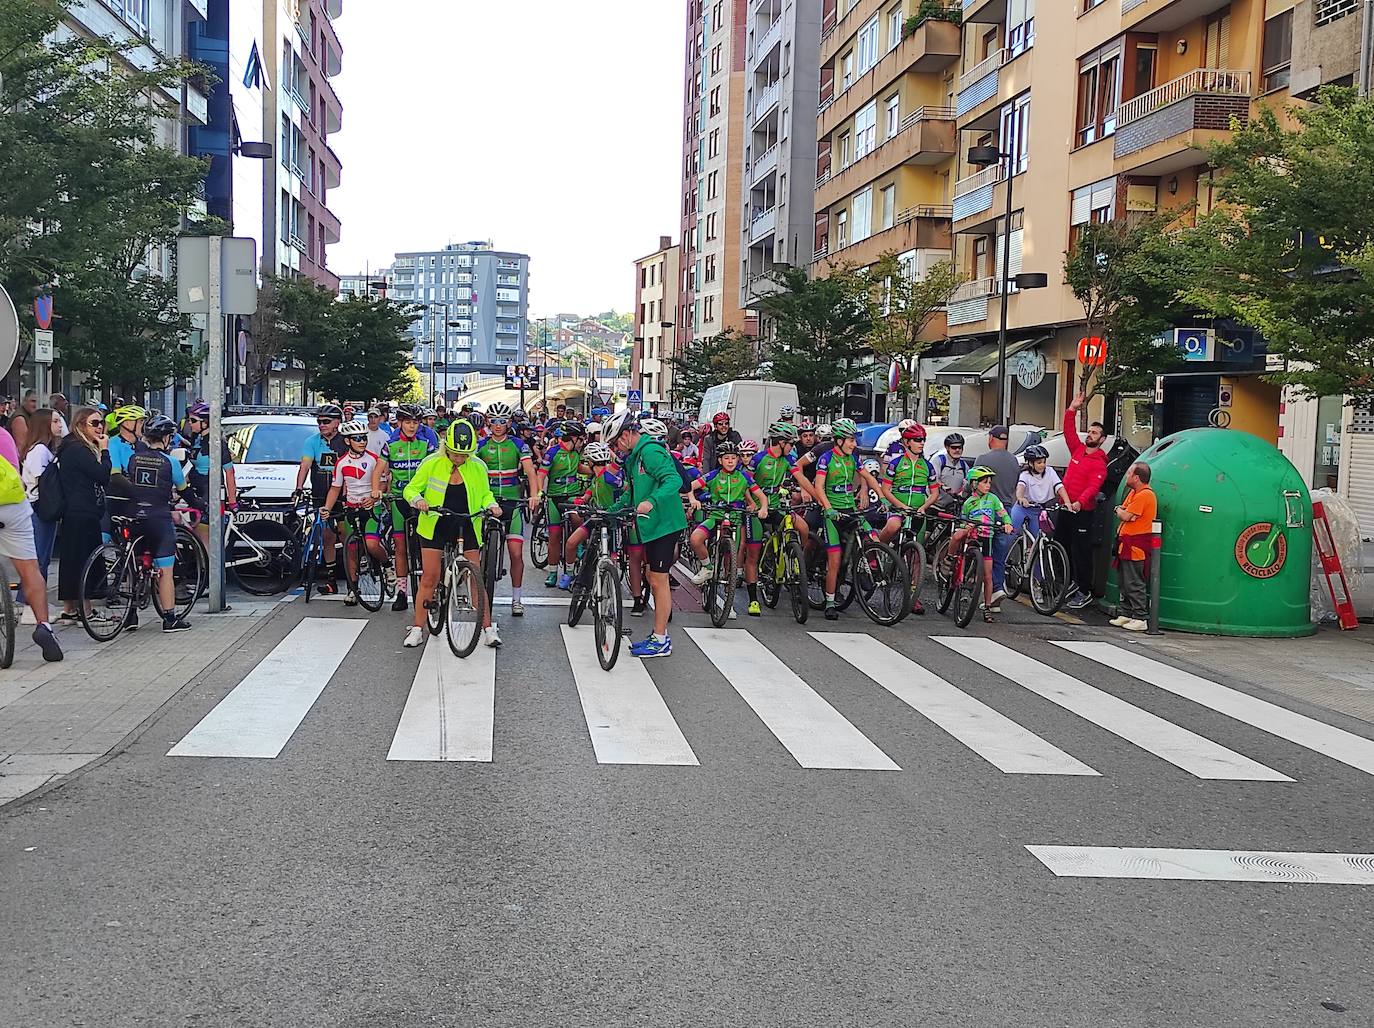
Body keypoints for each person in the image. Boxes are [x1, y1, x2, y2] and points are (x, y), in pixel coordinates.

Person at [402, 420, 504, 650]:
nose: (459, 459)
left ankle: (488, 628)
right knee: (430, 576)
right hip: (435, 523)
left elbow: (485, 493)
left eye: (464, 455)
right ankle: (418, 629)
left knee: (475, 576)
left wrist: (492, 505)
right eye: (455, 454)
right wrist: (418, 500)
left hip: (467, 522)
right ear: (445, 447)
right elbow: (411, 488)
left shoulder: (477, 466)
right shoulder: (431, 463)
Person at [604, 411, 686, 658]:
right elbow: (631, 493)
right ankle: (657, 635)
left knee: (658, 580)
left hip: (664, 524)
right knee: (653, 577)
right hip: (649, 526)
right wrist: (611, 510)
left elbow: (673, 481)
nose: (615, 448)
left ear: (628, 434)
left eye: (616, 441)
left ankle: (661, 639)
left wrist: (651, 501)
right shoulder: (633, 458)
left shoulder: (650, 452)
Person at [122, 414, 192, 632]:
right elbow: (183, 490)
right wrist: (200, 503)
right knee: (165, 570)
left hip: (134, 516)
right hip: (158, 518)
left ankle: (130, 613)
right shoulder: (170, 461)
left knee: (134, 564)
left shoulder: (134, 458)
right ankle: (170, 618)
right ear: (166, 438)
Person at [0, 424, 62, 660]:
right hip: (13, 506)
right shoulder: (4, 436)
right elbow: (15, 473)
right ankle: (43, 625)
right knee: (30, 569)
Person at [685, 440, 766, 618]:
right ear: (720, 460)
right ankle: (707, 567)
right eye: (726, 458)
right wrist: (693, 500)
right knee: (695, 539)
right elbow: (690, 486)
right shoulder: (713, 475)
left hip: (736, 520)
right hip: (715, 517)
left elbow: (760, 495)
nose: (730, 461)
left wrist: (762, 508)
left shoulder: (744, 477)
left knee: (732, 560)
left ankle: (728, 604)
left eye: (733, 458)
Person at [477, 400, 540, 615]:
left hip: (512, 502)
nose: (497, 425)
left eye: (502, 421)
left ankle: (516, 598)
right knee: (474, 549)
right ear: (487, 422)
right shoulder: (481, 445)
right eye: (493, 421)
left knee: (515, 553)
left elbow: (530, 471)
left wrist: (534, 495)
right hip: (488, 502)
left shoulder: (517, 444)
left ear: (509, 422)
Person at [322, 419, 389, 607]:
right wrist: (327, 508)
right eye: (357, 438)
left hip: (370, 507)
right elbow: (335, 489)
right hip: (351, 508)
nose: (362, 441)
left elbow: (383, 483)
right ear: (347, 441)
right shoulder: (341, 463)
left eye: (364, 438)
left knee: (371, 544)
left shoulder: (374, 459)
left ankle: (386, 564)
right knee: (351, 549)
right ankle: (353, 588)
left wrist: (376, 497)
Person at [810, 418, 870, 621]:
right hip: (830, 511)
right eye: (851, 440)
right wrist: (826, 507)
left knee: (871, 536)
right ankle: (828, 600)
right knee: (834, 560)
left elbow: (867, 476)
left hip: (848, 508)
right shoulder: (824, 455)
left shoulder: (852, 457)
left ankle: (866, 572)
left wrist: (874, 493)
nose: (854, 444)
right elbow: (817, 484)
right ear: (838, 440)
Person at [56, 407, 111, 625]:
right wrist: (105, 451)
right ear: (81, 425)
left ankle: (70, 609)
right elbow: (102, 475)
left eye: (101, 423)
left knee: (71, 558)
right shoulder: (79, 449)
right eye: (94, 423)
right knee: (85, 559)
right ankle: (86, 612)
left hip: (74, 510)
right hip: (83, 510)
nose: (100, 428)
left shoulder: (69, 446)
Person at [878, 423, 939, 615]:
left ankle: (914, 596)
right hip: (899, 508)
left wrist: (923, 507)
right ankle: (877, 550)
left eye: (923, 440)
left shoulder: (927, 466)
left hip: (918, 511)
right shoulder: (896, 463)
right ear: (907, 442)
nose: (921, 443)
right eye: (917, 440)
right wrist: (900, 506)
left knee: (916, 556)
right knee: (893, 525)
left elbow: (935, 492)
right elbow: (885, 489)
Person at [381, 403, 436, 612]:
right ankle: (402, 592)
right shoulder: (391, 443)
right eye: (407, 422)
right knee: (400, 547)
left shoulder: (426, 442)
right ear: (400, 423)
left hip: (423, 499)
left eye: (415, 422)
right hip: (399, 498)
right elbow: (380, 466)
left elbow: (436, 467)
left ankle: (432, 588)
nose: (412, 426)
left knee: (428, 546)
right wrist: (376, 489)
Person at [1060, 394, 1110, 609]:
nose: (1090, 435)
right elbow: (1069, 431)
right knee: (1061, 545)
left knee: (1082, 552)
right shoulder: (1078, 450)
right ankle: (1069, 582)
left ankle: (1084, 590)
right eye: (1089, 431)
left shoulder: (1099, 463)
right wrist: (1072, 409)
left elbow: (1093, 487)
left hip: (1082, 512)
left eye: (1095, 433)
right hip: (1065, 507)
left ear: (1102, 439)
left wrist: (1080, 502)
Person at [294, 403, 348, 594]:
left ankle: (352, 578)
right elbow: (305, 465)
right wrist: (299, 487)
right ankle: (331, 579)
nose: (321, 425)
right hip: (320, 494)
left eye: (326, 421)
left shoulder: (345, 442)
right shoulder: (312, 441)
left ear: (337, 423)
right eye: (319, 422)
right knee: (327, 537)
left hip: (342, 495)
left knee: (345, 533)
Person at [949, 465, 1013, 624]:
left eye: (989, 482)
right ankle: (952, 563)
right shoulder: (968, 503)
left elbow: (1002, 512)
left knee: (988, 575)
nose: (988, 485)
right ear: (974, 484)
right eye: (984, 482)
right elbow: (964, 520)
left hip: (987, 538)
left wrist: (1007, 523)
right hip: (972, 539)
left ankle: (987, 606)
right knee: (963, 550)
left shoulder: (993, 499)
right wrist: (966, 528)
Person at [17, 408, 64, 617]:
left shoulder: (42, 449)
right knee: (38, 557)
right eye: (55, 421)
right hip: (39, 507)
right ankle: (28, 603)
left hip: (40, 507)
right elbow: (40, 480)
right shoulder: (39, 452)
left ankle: (30, 601)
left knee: (39, 556)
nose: (60, 425)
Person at [973, 425, 1022, 612]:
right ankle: (998, 588)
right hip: (1006, 509)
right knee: (999, 551)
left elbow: (974, 484)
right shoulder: (1014, 461)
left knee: (985, 551)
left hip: (986, 509)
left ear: (991, 438)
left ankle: (985, 589)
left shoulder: (983, 459)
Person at [181, 401, 237, 555]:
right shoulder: (196, 439)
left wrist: (232, 501)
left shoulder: (217, 443)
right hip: (196, 491)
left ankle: (208, 575)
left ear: (205, 423)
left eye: (193, 420)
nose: (189, 424)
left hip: (210, 493)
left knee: (204, 540)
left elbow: (230, 472)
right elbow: (190, 467)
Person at [539, 420, 586, 589]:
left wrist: (599, 471)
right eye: (580, 438)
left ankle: (577, 547)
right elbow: (542, 474)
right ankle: (552, 573)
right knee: (554, 536)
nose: (582, 442)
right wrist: (538, 492)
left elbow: (580, 468)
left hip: (572, 495)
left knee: (577, 519)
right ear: (572, 438)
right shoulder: (552, 452)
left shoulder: (576, 453)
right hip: (554, 497)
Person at [1111, 462, 1157, 632]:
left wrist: (1119, 510)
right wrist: (1121, 510)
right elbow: (1124, 511)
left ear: (1137, 477)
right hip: (1125, 544)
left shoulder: (1145, 495)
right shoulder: (1133, 493)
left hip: (1136, 546)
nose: (1127, 475)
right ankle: (1126, 612)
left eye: (1129, 472)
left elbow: (1127, 515)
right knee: (1123, 581)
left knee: (1134, 582)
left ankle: (1140, 616)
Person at [931, 432, 970, 513]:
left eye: (960, 447)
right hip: (935, 506)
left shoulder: (964, 465)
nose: (957, 450)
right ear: (947, 447)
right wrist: (947, 489)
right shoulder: (939, 461)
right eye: (954, 447)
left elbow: (966, 484)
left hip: (953, 508)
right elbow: (933, 479)